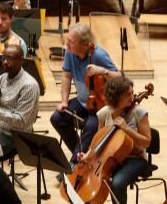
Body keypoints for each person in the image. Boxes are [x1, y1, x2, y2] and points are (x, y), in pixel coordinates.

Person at [72, 75, 150, 204]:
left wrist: (126, 129)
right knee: (82, 177)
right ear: (116, 97)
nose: (132, 96)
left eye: (132, 93)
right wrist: (86, 156)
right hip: (109, 159)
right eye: (127, 94)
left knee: (118, 183)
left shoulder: (139, 113)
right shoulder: (104, 114)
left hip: (134, 159)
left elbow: (147, 142)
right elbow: (98, 141)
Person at [50, 22, 120, 155]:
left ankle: (76, 164)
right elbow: (66, 76)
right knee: (57, 118)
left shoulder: (99, 55)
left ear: (84, 45)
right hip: (83, 102)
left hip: (100, 106)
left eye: (71, 41)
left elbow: (120, 78)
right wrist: (64, 101)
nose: (67, 44)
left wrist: (103, 70)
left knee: (91, 126)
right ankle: (80, 156)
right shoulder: (70, 53)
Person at [0, 44, 39, 162]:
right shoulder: (2, 78)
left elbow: (22, 121)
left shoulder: (29, 85)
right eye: (3, 58)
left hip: (13, 136)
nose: (5, 62)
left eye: (10, 58)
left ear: (21, 60)